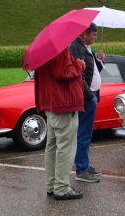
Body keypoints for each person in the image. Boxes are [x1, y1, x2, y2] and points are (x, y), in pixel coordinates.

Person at [34, 47, 86, 200]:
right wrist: (79, 64)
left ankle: (52, 185)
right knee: (65, 147)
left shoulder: (42, 51)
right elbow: (63, 72)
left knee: (52, 146)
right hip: (63, 104)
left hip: (51, 103)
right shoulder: (59, 50)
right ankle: (62, 187)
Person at [69, 23, 105, 183]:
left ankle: (84, 165)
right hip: (86, 98)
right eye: (93, 35)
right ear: (84, 33)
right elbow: (80, 77)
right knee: (83, 134)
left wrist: (100, 61)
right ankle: (81, 169)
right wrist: (90, 97)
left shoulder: (86, 48)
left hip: (91, 95)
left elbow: (93, 71)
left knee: (86, 133)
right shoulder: (77, 48)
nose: (95, 38)